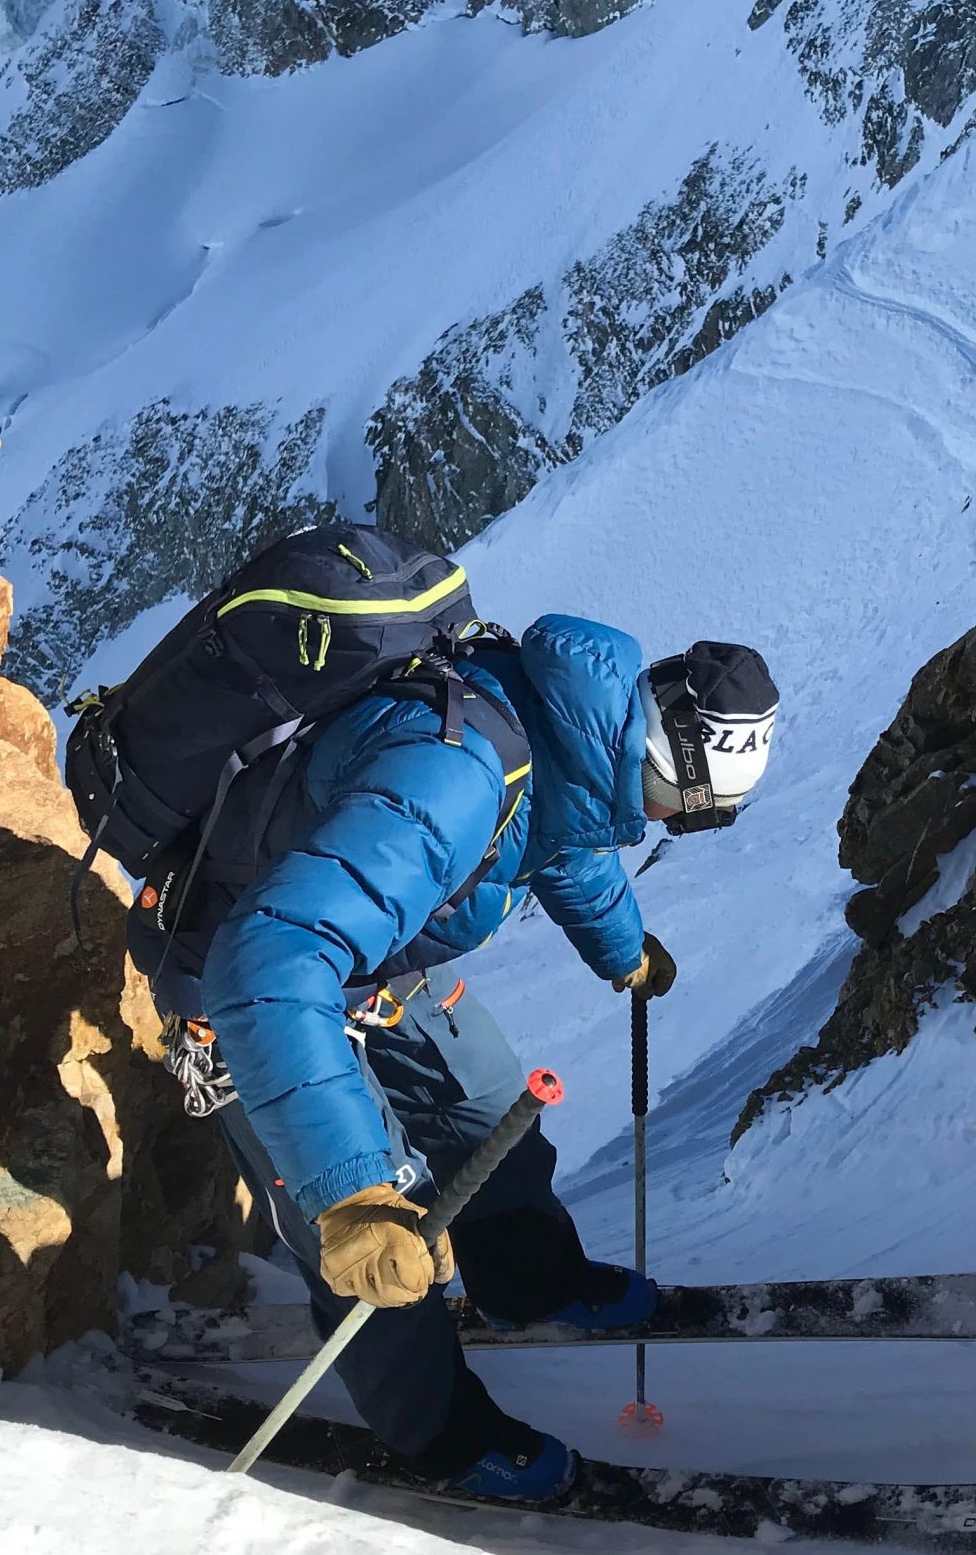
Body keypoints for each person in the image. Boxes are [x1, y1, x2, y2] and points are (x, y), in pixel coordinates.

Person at [192, 622, 779, 1500]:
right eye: (696, 814)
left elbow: (565, 840)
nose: (681, 828)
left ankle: (526, 1278)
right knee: (382, 1242)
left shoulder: (573, 735)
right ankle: (438, 1434)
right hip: (249, 979)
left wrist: (623, 950)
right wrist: (349, 1193)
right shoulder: (452, 778)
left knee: (492, 1110)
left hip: (374, 952)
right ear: (667, 771)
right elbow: (269, 965)